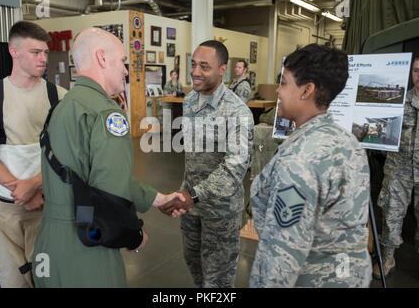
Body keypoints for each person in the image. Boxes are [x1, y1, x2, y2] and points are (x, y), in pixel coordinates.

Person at [32, 28, 185, 288]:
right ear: (102, 58)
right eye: (122, 61)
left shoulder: (61, 107)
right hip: (86, 249)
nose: (125, 70)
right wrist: (133, 235)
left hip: (48, 246)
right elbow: (109, 194)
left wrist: (158, 198)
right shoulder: (105, 113)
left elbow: (84, 175)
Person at [249, 44, 372, 288]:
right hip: (349, 275)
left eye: (283, 83)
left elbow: (281, 256)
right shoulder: (348, 141)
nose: (278, 90)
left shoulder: (299, 160)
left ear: (307, 90)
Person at [0, 21, 67, 287]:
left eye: (45, 52)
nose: (43, 58)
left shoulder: (60, 97)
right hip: (4, 212)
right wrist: (21, 192)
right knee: (13, 281)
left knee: (50, 278)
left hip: (48, 207)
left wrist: (35, 186)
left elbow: (67, 152)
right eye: (36, 52)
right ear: (14, 51)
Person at [161, 40, 254, 287]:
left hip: (220, 212)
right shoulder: (190, 101)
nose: (195, 72)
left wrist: (194, 195)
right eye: (193, 64)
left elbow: (235, 167)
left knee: (218, 278)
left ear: (222, 69)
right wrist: (185, 192)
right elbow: (192, 157)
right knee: (194, 263)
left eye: (204, 66)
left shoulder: (237, 112)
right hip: (192, 206)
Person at [374, 57, 419, 278]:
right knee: (391, 214)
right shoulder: (398, 101)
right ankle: (387, 257)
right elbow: (381, 134)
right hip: (398, 169)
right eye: (417, 71)